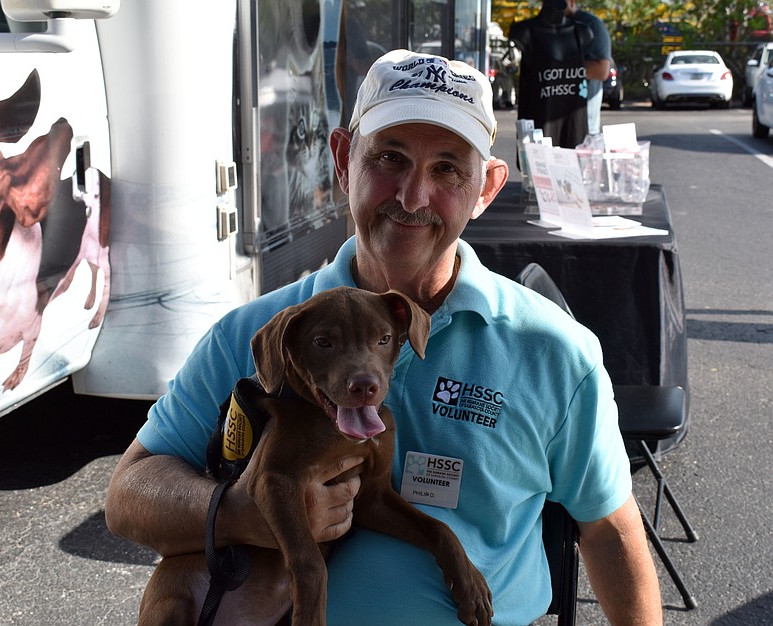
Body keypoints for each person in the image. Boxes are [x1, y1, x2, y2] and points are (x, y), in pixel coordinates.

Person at [106, 49, 662, 625]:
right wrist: (239, 513)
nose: (412, 196)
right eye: (389, 158)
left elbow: (609, 530)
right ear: (344, 160)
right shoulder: (254, 334)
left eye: (448, 168)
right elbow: (128, 497)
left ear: (486, 187)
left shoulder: (552, 351)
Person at [509, 0, 609, 147]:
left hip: (577, 127)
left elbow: (602, 71)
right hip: (538, 130)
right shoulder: (524, 31)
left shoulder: (585, 30)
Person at [567, 0, 612, 135]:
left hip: (583, 126)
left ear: (571, 2)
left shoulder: (591, 25)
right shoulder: (542, 26)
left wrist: (557, 66)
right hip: (547, 122)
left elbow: (601, 70)